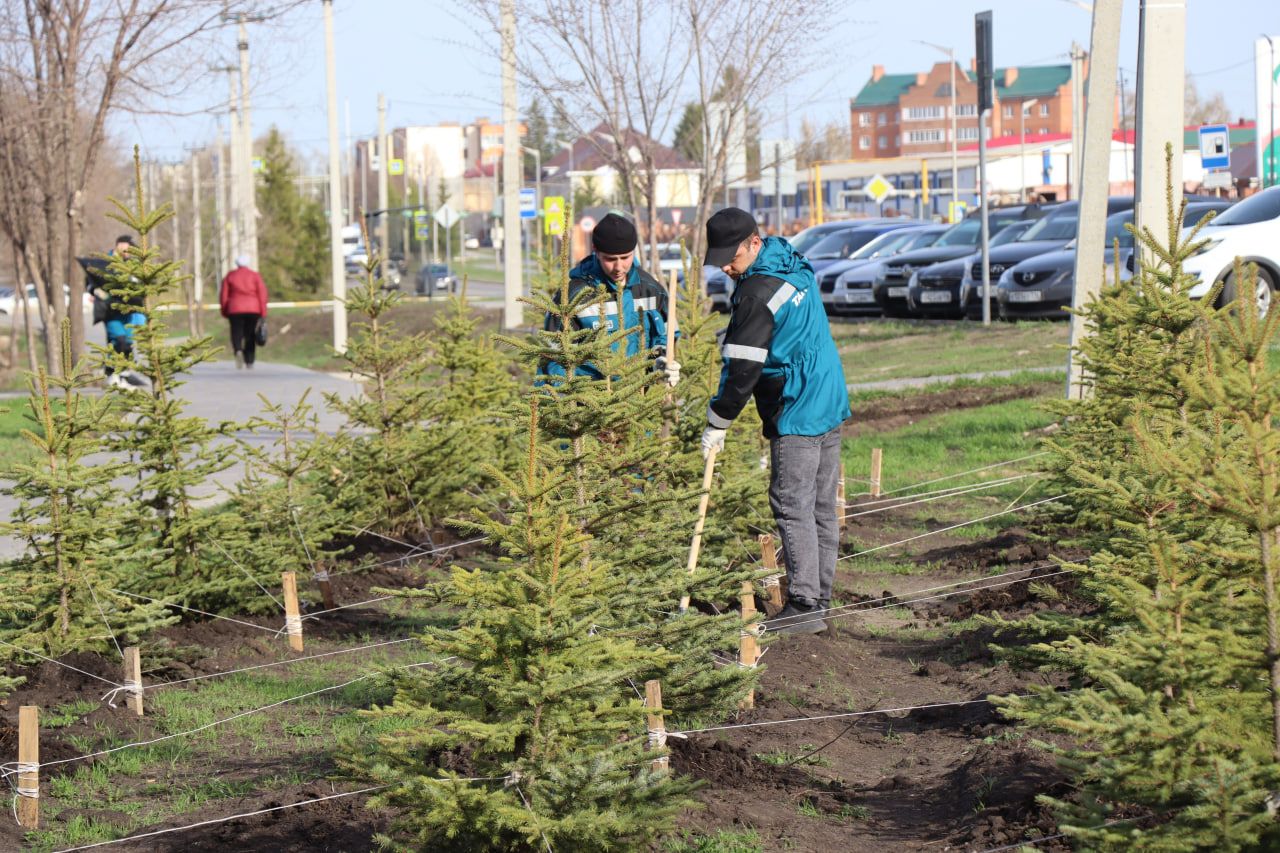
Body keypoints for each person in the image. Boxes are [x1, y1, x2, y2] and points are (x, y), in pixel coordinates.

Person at [700, 208, 851, 636]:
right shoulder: (791, 259)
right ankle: (819, 599)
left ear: (752, 243)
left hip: (798, 406)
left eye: (732, 257)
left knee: (791, 504)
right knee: (821, 507)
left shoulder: (756, 292)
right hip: (828, 396)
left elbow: (743, 371)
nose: (726, 267)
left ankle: (804, 604)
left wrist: (718, 421)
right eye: (720, 259)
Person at [538, 212, 679, 385]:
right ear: (596, 251)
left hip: (640, 401)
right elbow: (555, 357)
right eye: (610, 259)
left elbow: (667, 334)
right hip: (589, 405)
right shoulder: (575, 297)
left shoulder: (650, 289)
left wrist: (661, 360)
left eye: (625, 258)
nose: (619, 267)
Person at [88, 234, 148, 390]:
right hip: (110, 311)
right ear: (119, 245)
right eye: (127, 248)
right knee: (118, 340)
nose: (129, 252)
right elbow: (91, 282)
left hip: (126, 312)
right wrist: (96, 292)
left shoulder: (130, 266)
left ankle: (122, 376)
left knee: (126, 344)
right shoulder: (104, 264)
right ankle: (112, 375)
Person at [220, 255, 268, 370]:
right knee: (250, 334)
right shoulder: (255, 276)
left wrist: (224, 310)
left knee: (236, 332)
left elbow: (224, 295)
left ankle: (238, 350)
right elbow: (262, 294)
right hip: (253, 309)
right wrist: (263, 312)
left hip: (235, 309)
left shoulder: (230, 276)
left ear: (237, 264)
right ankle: (249, 360)